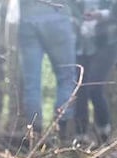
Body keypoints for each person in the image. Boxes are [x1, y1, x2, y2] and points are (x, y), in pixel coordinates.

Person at [17, 0, 77, 141]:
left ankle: (34, 133)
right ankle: (62, 131)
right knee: (66, 78)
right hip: (58, 16)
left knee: (31, 82)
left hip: (27, 18)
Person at [74, 0, 117, 145]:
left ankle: (104, 134)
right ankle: (80, 138)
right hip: (80, 44)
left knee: (94, 87)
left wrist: (102, 15)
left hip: (106, 42)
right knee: (79, 89)